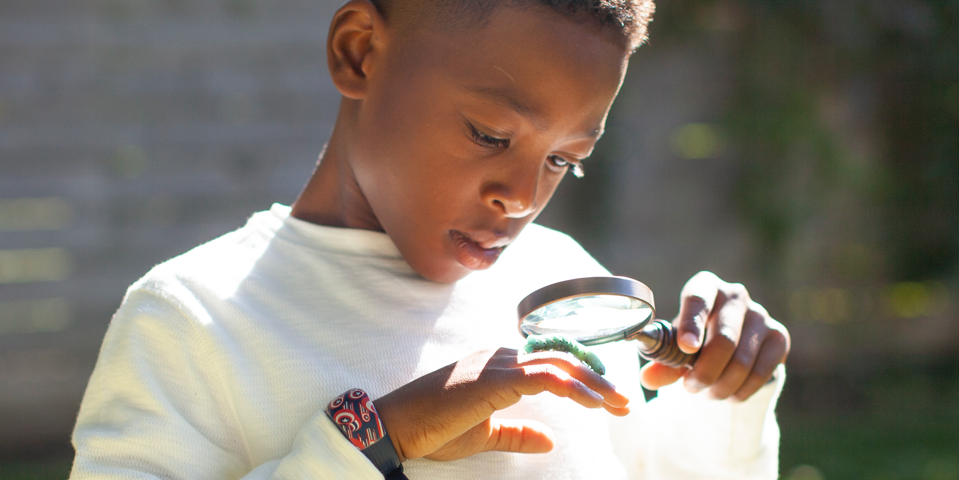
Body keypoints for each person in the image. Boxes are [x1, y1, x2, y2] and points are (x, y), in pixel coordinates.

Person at [70, 0, 791, 478]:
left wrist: (725, 388)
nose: (522, 195)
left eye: (562, 160)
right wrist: (370, 442)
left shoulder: (562, 284)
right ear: (358, 53)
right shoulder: (194, 319)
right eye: (487, 134)